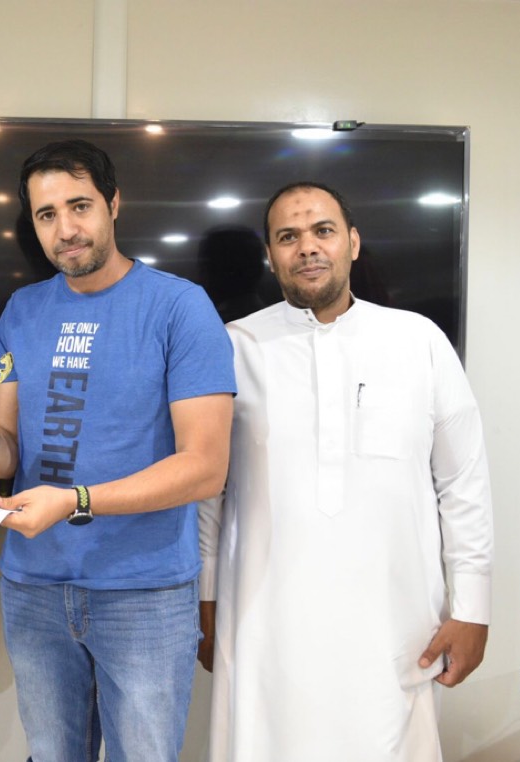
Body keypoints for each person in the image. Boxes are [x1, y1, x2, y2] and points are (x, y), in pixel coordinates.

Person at [200, 182, 493, 761]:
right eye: (288, 236)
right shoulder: (234, 347)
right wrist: (205, 600)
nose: (307, 247)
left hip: (394, 625)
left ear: (353, 244)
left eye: (323, 231)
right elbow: (208, 493)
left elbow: (463, 483)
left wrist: (473, 609)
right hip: (264, 625)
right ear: (270, 254)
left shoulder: (419, 341)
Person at [0, 139, 235, 761]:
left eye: (80, 206)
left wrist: (76, 500)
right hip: (35, 585)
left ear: (113, 203)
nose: (65, 229)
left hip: (144, 591)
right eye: (46, 214)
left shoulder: (179, 307)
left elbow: (205, 468)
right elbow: (10, 457)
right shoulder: (22, 310)